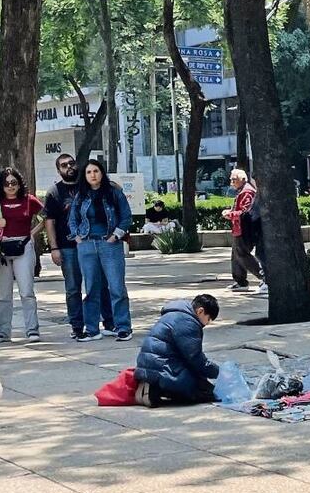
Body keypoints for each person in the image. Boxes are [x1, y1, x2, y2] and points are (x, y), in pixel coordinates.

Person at [44, 154, 115, 340]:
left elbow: (114, 189)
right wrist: (54, 248)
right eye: (64, 165)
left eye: (71, 163)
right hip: (68, 247)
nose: (69, 167)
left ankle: (109, 322)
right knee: (73, 288)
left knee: (101, 284)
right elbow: (49, 222)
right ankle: (77, 326)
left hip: (92, 243)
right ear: (58, 170)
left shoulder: (87, 185)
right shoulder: (54, 192)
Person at [69, 160, 133, 342]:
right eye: (89, 172)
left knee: (116, 287)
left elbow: (126, 216)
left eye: (96, 171)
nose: (93, 175)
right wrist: (78, 238)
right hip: (87, 244)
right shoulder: (81, 196)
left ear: (102, 173)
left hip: (109, 243)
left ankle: (123, 327)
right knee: (91, 288)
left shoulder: (113, 192)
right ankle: (91, 329)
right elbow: (72, 219)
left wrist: (115, 236)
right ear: (85, 176)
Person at [133, 294, 220, 408]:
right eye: (208, 319)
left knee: (199, 381)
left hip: (148, 365)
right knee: (208, 392)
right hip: (162, 368)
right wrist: (219, 372)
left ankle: (151, 385)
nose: (207, 324)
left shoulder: (174, 314)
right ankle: (154, 389)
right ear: (200, 311)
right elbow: (195, 358)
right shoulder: (188, 323)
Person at [0, 167, 43, 343]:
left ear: (19, 184)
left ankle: (32, 330)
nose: (10, 186)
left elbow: (46, 217)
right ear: (0, 186)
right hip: (2, 248)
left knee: (26, 291)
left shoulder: (29, 200)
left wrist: (32, 233)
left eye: (14, 182)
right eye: (6, 183)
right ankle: (2, 332)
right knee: (3, 293)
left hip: (23, 246)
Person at [221, 169, 262, 292]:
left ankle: (264, 277)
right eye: (231, 179)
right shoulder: (242, 191)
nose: (232, 182)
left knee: (243, 254)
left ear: (243, 180)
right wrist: (231, 212)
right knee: (236, 255)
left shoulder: (247, 192)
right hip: (239, 228)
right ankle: (241, 282)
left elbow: (246, 212)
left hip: (245, 228)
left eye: (234, 180)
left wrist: (230, 214)